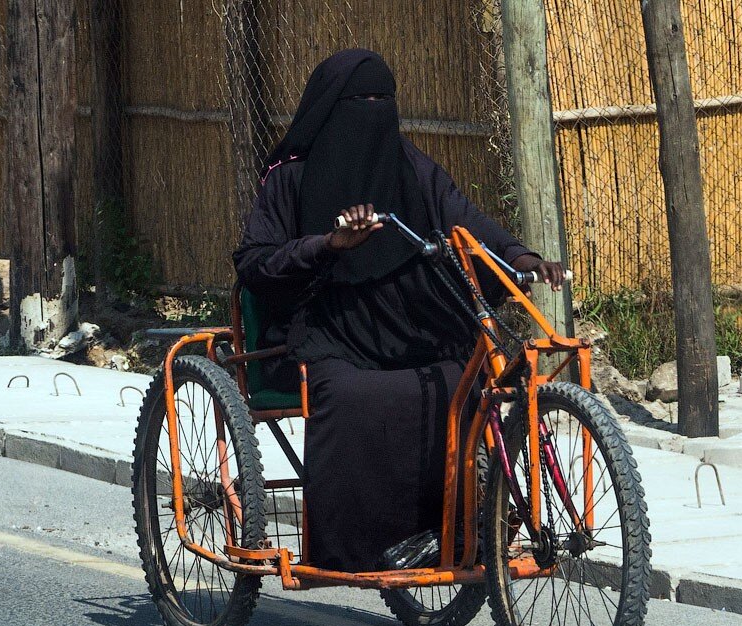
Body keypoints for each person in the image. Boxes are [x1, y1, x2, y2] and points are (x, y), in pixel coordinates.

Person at [233, 49, 565, 572]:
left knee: (460, 381)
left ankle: (451, 532)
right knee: (350, 397)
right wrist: (329, 244)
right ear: (330, 109)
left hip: (411, 325)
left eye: (381, 101)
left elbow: (464, 219)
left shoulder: (410, 166)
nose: (372, 113)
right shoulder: (290, 179)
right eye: (360, 102)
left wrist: (521, 257)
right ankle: (356, 553)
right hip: (327, 330)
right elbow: (255, 262)